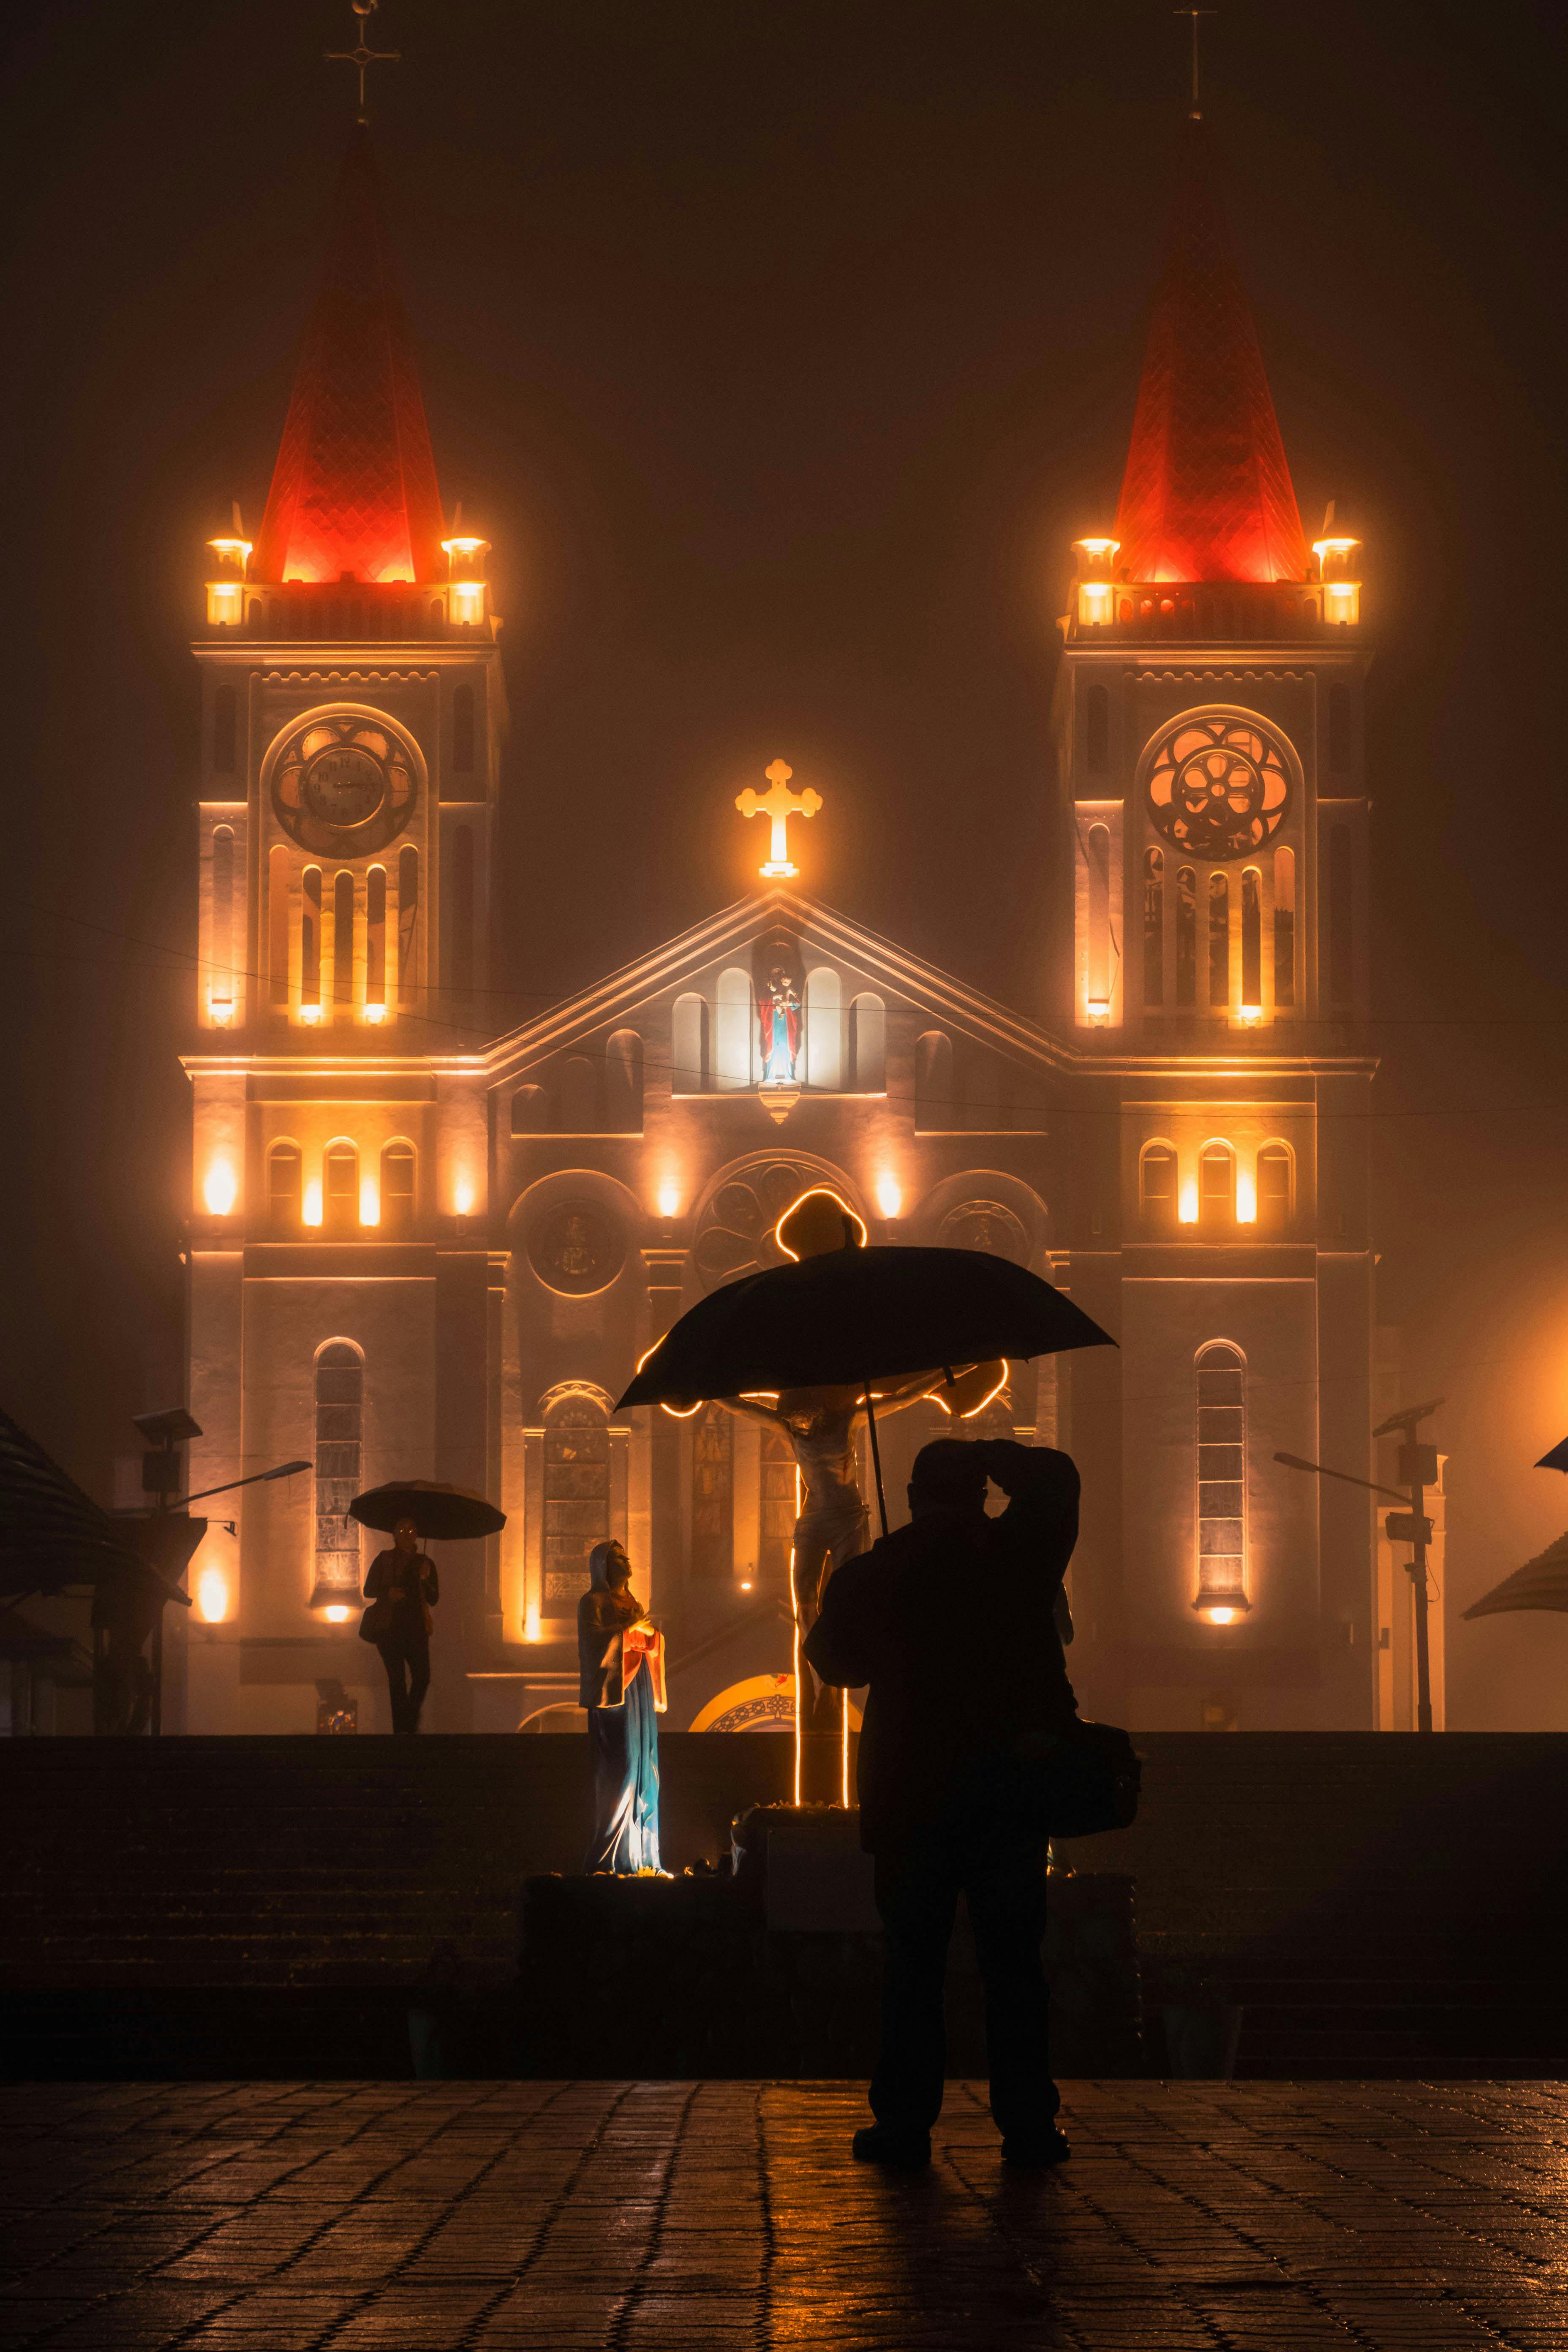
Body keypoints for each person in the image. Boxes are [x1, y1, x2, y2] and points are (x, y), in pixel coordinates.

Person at [804, 1434, 1080, 2171]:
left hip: (912, 1794)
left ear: (916, 1494)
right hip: (1007, 1789)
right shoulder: (1018, 1554)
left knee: (912, 1966)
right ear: (981, 1491)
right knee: (1015, 1966)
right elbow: (1057, 1479)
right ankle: (1026, 2122)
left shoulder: (880, 1570)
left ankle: (903, 2120)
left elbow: (833, 1660)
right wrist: (997, 1450)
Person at [578, 1539, 667, 1872]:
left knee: (647, 1768)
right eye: (618, 1557)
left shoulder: (635, 1603)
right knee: (624, 1767)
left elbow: (647, 1639)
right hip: (615, 1693)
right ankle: (612, 1852)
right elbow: (592, 1642)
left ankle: (645, 1854)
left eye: (627, 1555)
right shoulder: (593, 1602)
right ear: (603, 1566)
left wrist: (651, 1637)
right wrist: (629, 1631)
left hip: (639, 1686)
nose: (626, 1560)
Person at [363, 1517, 438, 1734]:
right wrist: (388, 1592)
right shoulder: (385, 1560)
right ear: (394, 1534)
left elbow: (434, 1599)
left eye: (412, 1529)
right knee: (397, 1681)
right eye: (402, 1529)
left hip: (417, 1629)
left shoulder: (425, 1563)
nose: (407, 1533)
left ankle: (408, 1722)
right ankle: (402, 1732)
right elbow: (369, 1590)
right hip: (390, 1628)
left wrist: (425, 1579)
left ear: (417, 1534)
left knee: (423, 1677)